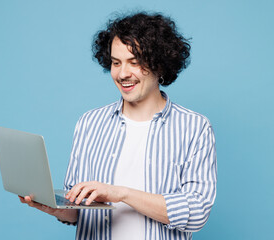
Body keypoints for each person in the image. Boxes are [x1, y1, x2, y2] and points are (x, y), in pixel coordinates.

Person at [20, 12, 217, 240]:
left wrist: (121, 193)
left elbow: (197, 212)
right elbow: (77, 211)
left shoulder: (195, 128)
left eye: (135, 63)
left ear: (160, 65)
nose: (123, 73)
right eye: (116, 63)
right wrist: (53, 207)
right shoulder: (90, 123)